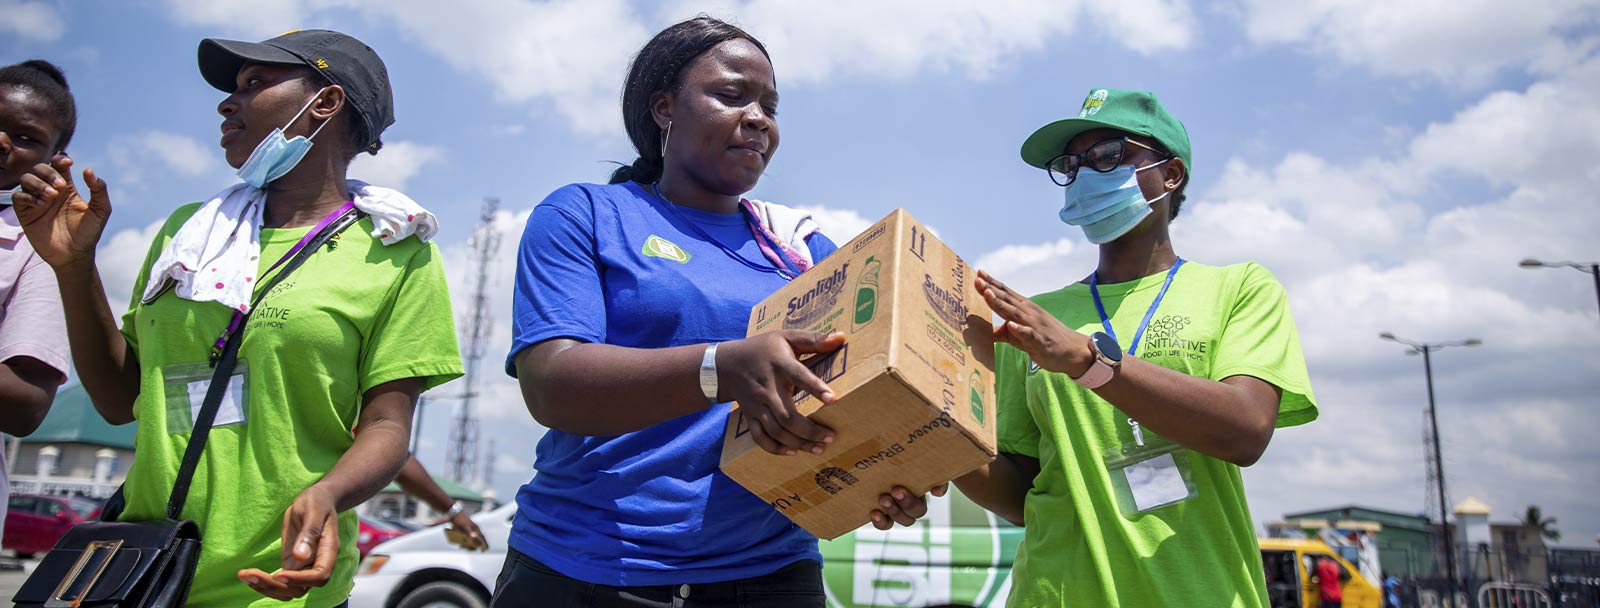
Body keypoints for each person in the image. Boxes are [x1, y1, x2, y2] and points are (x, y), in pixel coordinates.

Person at [495, 16, 938, 608]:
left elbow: (857, 394)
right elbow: (552, 386)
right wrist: (721, 368)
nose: (758, 118)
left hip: (772, 575)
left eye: (770, 106)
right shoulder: (587, 216)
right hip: (590, 569)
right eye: (731, 96)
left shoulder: (806, 252)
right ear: (663, 109)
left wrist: (886, 472)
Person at [12, 30, 462, 607]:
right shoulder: (188, 235)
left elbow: (386, 427)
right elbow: (119, 400)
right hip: (143, 575)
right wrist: (74, 268)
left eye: (254, 84)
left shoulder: (397, 251)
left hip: (280, 586)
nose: (227, 102)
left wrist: (329, 494)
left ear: (324, 103)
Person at [951, 88, 1319, 607]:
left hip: (1203, 592)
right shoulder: (1032, 318)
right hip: (1054, 593)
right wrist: (942, 444)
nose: (1083, 175)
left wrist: (1087, 362)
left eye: (1107, 155)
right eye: (1070, 164)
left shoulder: (1240, 289)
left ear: (1171, 174)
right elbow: (1023, 494)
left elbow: (1246, 430)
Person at [0, 59, 74, 541]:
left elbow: (24, 407)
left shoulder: (37, 247)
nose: (2, 142)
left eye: (25, 137)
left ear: (55, 156)